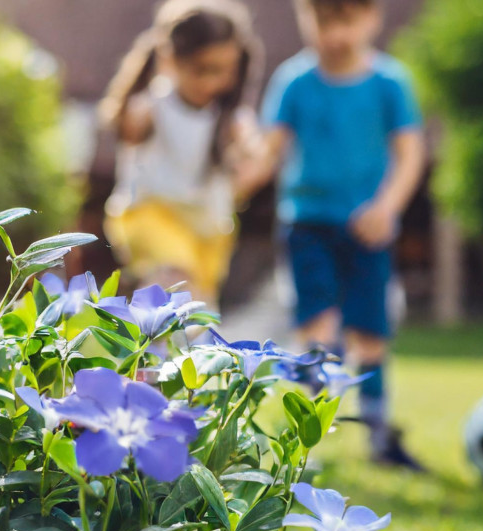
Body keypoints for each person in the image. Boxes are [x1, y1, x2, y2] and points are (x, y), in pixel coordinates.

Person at [241, 0, 427, 468]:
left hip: (369, 229)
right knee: (318, 330)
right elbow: (269, 151)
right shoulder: (294, 82)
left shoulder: (389, 83)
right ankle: (307, 442)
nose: (334, 33)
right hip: (308, 224)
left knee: (371, 333)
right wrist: (240, 171)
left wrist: (386, 207)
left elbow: (410, 154)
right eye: (323, 20)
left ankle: (379, 434)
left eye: (346, 20)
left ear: (371, 18)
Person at [99, 0, 262, 307]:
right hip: (152, 213)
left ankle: (157, 353)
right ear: (171, 60)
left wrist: (247, 158)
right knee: (174, 285)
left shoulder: (231, 117)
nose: (213, 82)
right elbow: (126, 128)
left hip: (207, 229)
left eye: (224, 71)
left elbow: (252, 162)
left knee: (198, 314)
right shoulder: (154, 105)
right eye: (203, 70)